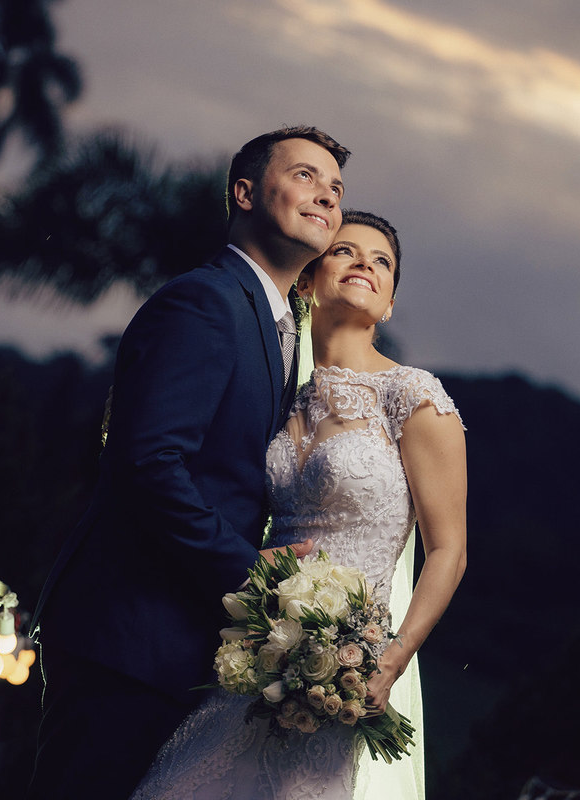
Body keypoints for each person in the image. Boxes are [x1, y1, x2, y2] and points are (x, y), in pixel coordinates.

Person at [26, 126, 352, 799]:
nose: (326, 194)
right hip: (126, 639)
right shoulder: (205, 301)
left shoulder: (277, 325)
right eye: (305, 176)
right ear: (244, 192)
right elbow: (149, 463)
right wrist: (250, 574)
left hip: (175, 648)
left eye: (336, 188)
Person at [129, 210, 468, 799]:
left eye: (381, 261)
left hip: (346, 670)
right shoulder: (280, 397)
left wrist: (388, 660)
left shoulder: (414, 397)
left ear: (388, 303)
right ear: (307, 280)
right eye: (345, 251)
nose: (364, 263)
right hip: (260, 661)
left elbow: (449, 550)